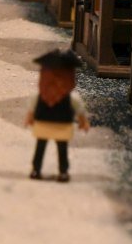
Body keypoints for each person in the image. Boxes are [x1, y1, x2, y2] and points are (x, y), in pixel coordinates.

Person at [24, 49, 90, 182]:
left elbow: (32, 107)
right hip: (61, 124)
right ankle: (62, 172)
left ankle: (37, 170)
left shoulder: (41, 96)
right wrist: (83, 121)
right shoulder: (71, 97)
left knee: (42, 147)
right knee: (60, 149)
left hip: (45, 123)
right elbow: (79, 110)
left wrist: (29, 118)